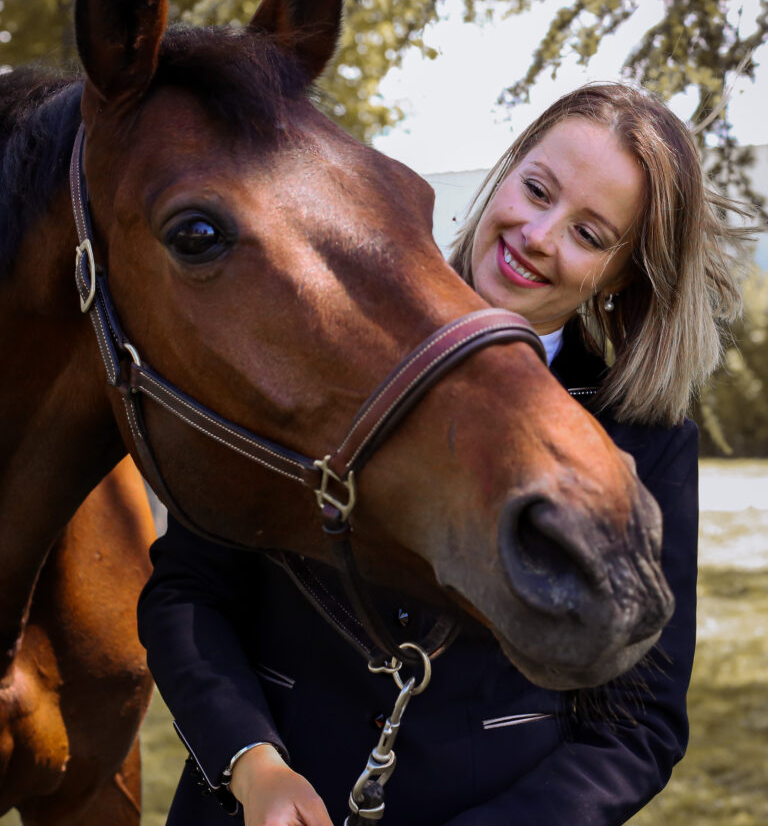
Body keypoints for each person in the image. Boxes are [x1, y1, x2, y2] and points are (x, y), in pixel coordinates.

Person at [137, 82, 749, 826]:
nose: (538, 235)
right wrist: (251, 765)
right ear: (507, 169)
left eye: (590, 235)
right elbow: (188, 592)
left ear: (620, 277)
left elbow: (636, 728)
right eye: (537, 190)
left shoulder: (643, 443)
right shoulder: (319, 336)